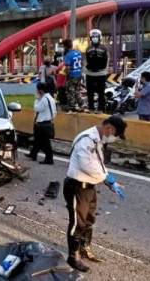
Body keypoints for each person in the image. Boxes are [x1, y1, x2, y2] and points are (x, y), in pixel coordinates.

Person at [64, 115, 127, 273]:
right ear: (109, 129)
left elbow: (99, 164)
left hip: (89, 187)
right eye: (115, 135)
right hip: (77, 187)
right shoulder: (87, 139)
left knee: (89, 220)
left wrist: (109, 182)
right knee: (77, 223)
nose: (114, 138)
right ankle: (73, 257)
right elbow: (87, 165)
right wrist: (107, 178)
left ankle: (85, 248)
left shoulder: (98, 140)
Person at [28, 82, 57, 164]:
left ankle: (49, 159)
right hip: (47, 122)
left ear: (40, 90)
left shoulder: (44, 99)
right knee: (38, 140)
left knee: (45, 143)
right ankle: (33, 154)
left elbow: (37, 108)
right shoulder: (50, 98)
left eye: (37, 90)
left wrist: (36, 99)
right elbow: (54, 112)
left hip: (43, 124)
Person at [85, 29, 108, 113]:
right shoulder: (103, 48)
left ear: (99, 37)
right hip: (98, 73)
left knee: (94, 92)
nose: (94, 38)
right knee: (98, 92)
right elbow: (105, 61)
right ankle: (99, 109)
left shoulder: (88, 48)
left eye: (96, 37)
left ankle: (95, 108)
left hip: (94, 73)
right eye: (93, 37)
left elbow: (88, 60)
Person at [63, 39, 83, 112]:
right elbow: (82, 64)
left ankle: (72, 106)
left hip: (72, 75)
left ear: (65, 46)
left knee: (70, 91)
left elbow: (67, 68)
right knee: (77, 90)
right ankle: (81, 104)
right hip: (79, 74)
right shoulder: (78, 53)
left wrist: (66, 74)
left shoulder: (68, 55)